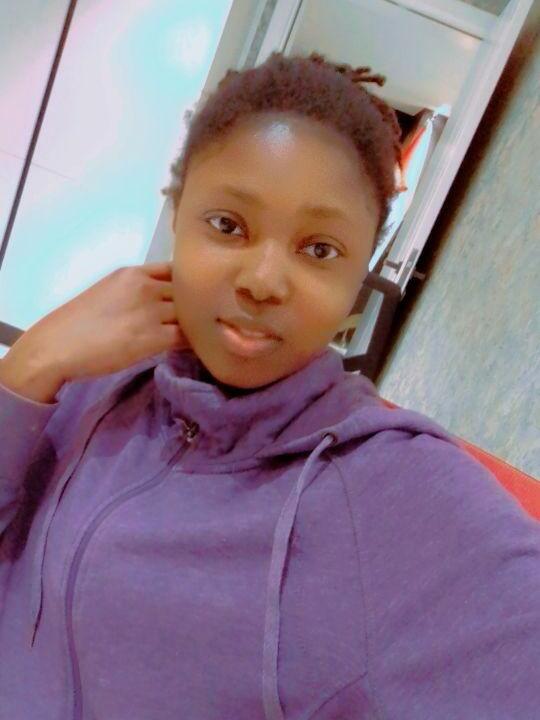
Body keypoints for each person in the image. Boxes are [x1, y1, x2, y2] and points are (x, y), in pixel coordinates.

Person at [0, 51, 538, 720]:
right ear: (177, 214)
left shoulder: (387, 485)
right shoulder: (92, 370)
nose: (263, 281)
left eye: (319, 249)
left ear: (358, 276)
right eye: (229, 226)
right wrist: (28, 369)